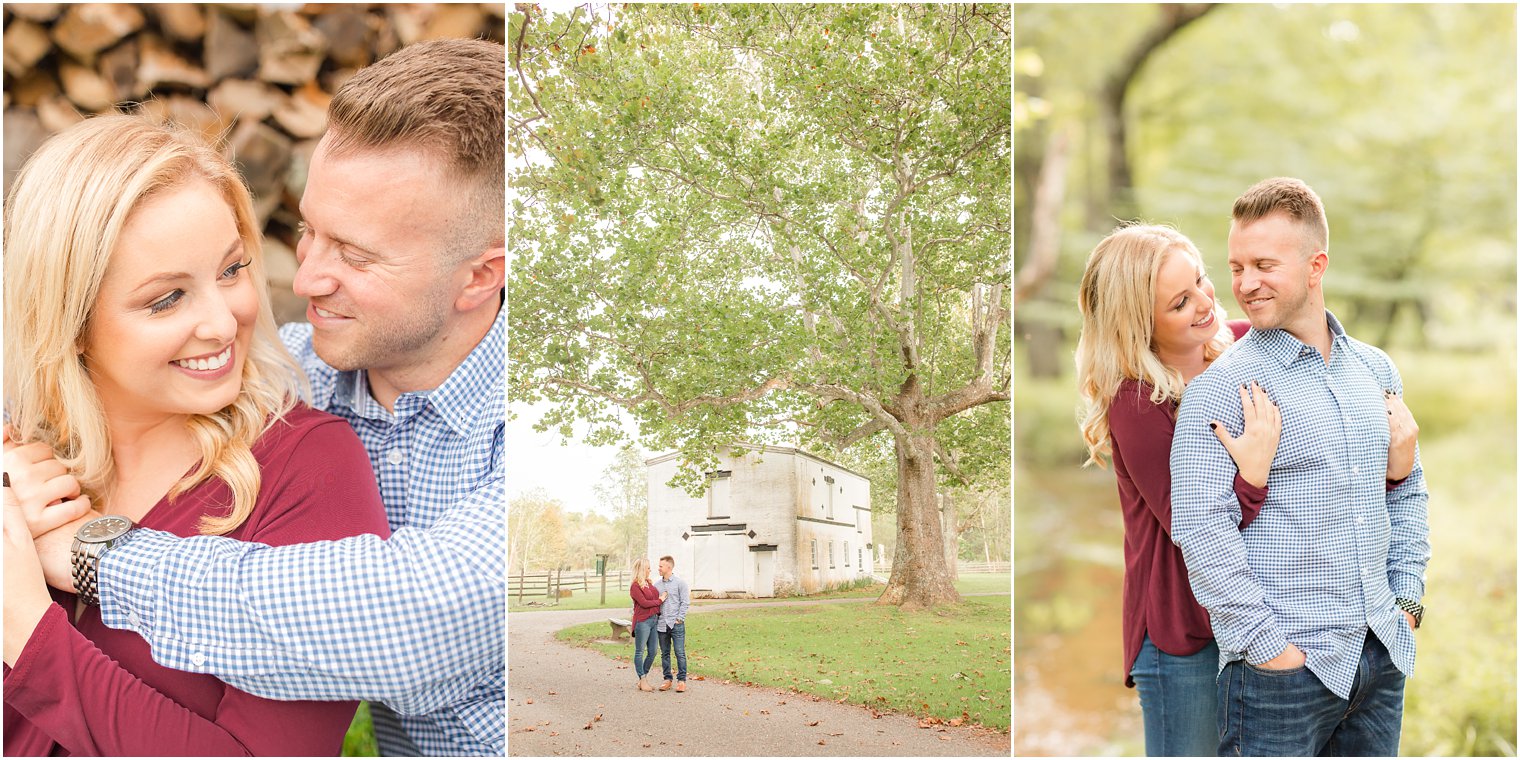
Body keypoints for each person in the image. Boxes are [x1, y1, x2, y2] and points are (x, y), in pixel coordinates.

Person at [19, 39, 506, 756]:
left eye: (355, 253)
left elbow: (406, 621)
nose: (303, 280)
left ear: (478, 278)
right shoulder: (290, 365)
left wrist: (77, 562)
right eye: (307, 231)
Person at [2, 115, 392, 755]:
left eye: (233, 269)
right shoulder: (23, 454)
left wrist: (21, 622)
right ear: (69, 319)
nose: (223, 321)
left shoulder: (306, 466)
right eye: (166, 299)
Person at [1171, 177, 1430, 756]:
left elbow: (1406, 491)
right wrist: (1269, 650)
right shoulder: (1220, 391)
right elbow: (1200, 528)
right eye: (1236, 267)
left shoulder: (1376, 372)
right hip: (1280, 677)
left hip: (1380, 653)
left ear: (1316, 266)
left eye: (1264, 264)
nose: (1245, 284)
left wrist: (1407, 602)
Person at [1075, 223, 1281, 756]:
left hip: (1252, 613)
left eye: (1202, 280)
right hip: (1181, 632)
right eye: (1179, 302)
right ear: (1140, 324)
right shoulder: (1136, 403)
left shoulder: (1243, 345)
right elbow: (1195, 525)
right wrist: (1253, 474)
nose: (1204, 302)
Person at [654, 555, 691, 692]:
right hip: (662, 625)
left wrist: (679, 619)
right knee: (665, 653)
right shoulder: (656, 585)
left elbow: (685, 602)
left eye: (660, 566)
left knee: (679, 652)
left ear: (668, 567)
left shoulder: (680, 583)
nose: (658, 568)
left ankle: (681, 681)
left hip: (677, 624)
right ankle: (667, 679)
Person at [629, 558, 663, 692]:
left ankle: (642, 678)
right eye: (648, 568)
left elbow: (653, 599)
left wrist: (658, 599)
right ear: (642, 569)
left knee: (653, 651)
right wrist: (660, 600)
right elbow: (643, 603)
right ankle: (642, 679)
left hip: (653, 620)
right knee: (639, 651)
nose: (650, 570)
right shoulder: (635, 586)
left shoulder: (649, 584)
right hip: (642, 622)